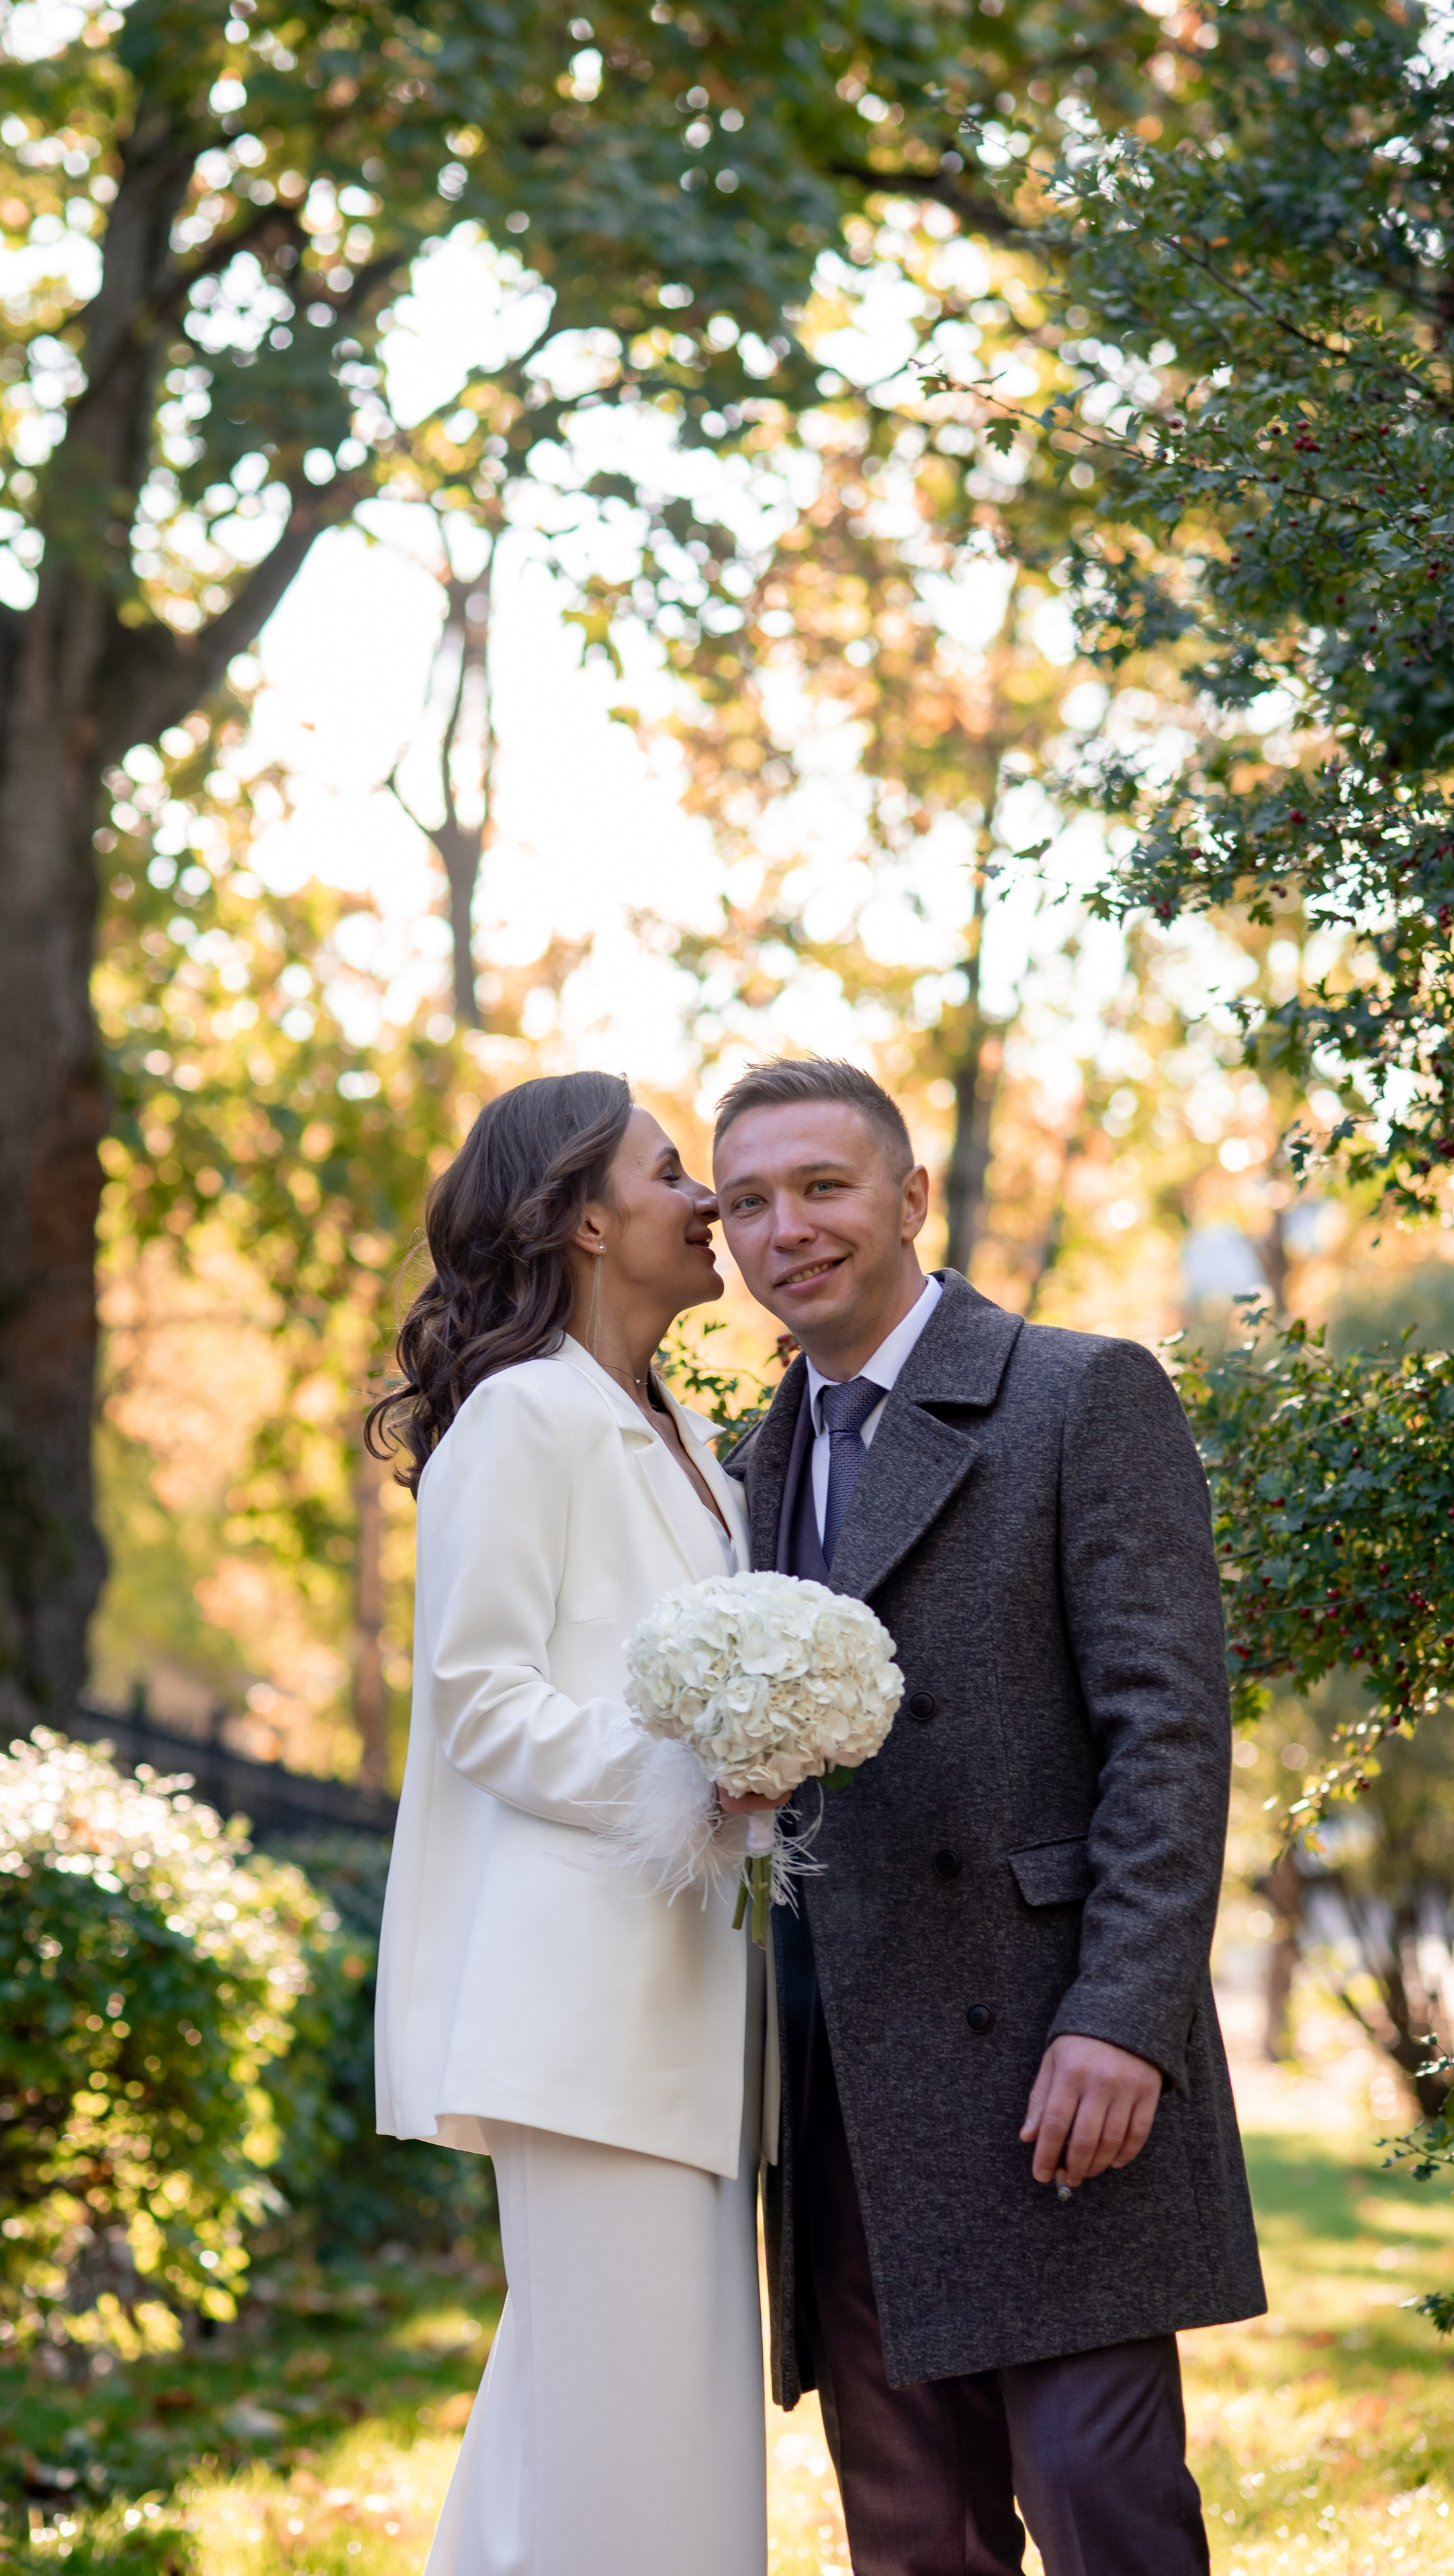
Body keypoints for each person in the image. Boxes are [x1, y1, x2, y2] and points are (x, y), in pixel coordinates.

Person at [711, 1055, 1265, 2576]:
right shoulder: (748, 1464)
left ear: (909, 1197)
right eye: (746, 1202)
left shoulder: (1077, 1392)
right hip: (839, 2079)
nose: (785, 1230)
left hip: (1047, 2058)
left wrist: (1124, 2017)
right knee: (913, 2542)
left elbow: (1167, 1729)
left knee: (1102, 2510)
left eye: (821, 1186)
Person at [371, 1070, 767, 2576]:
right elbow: (480, 1699)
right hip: (586, 2013)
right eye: (669, 1172)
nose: (705, 1199)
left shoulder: (691, 1439)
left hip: (697, 2003)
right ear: (586, 1221)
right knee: (619, 2439)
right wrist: (697, 1778)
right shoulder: (522, 1418)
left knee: (623, 2425)